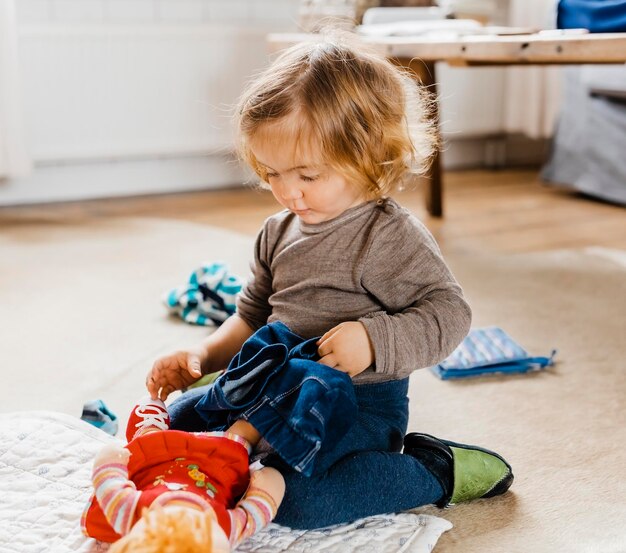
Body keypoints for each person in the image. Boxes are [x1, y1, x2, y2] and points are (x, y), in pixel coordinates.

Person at [147, 32, 514, 529]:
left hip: (355, 405)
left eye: (308, 176)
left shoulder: (388, 237)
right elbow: (253, 316)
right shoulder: (276, 231)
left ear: (369, 156)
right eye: (272, 172)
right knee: (174, 425)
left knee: (296, 500)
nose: (287, 192)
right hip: (270, 382)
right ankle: (241, 429)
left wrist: (373, 339)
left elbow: (449, 314)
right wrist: (202, 358)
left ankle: (434, 471)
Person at [81, 397, 285, 552]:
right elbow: (257, 510)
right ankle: (267, 398)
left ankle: (148, 427)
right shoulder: (226, 529)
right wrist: (266, 485)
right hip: (215, 469)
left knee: (148, 441)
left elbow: (108, 484)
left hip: (156, 465)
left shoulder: (131, 514)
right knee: (246, 433)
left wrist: (111, 459)